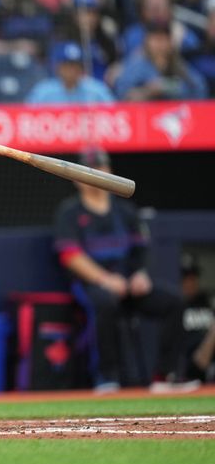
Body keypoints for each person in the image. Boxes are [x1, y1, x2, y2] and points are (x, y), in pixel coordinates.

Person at [53, 147, 194, 393]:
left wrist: (140, 275)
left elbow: (141, 250)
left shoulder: (125, 212)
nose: (97, 173)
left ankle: (165, 375)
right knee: (104, 302)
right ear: (77, 178)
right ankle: (108, 378)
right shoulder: (70, 213)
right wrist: (105, 279)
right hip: (93, 286)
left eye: (101, 168)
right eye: (90, 170)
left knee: (173, 301)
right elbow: (71, 256)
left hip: (129, 284)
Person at [114, 21, 208, 101]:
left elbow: (199, 88)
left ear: (170, 42)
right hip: (143, 115)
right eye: (155, 39)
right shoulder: (137, 64)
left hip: (174, 115)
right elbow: (121, 92)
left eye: (163, 39)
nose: (159, 45)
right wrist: (147, 91)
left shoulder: (177, 64)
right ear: (146, 42)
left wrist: (168, 86)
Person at [26, 41, 115, 104]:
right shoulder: (43, 91)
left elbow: (114, 113)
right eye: (67, 65)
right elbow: (27, 116)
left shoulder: (96, 90)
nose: (72, 70)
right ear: (58, 67)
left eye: (76, 65)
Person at [179, 253, 215, 382]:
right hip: (189, 369)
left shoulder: (205, 301)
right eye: (186, 278)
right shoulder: (175, 306)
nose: (191, 282)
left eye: (193, 278)